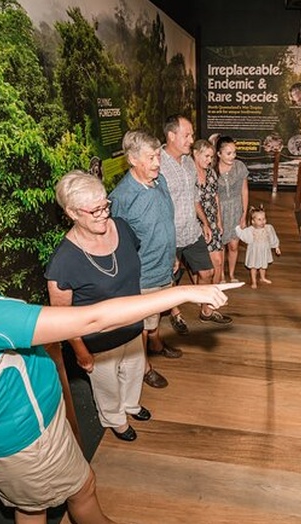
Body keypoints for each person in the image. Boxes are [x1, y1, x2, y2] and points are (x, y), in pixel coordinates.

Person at [0, 183, 233, 524]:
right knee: (82, 491)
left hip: (7, 434)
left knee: (33, 507)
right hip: (26, 441)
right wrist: (185, 293)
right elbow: (94, 317)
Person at [45, 171, 149, 443]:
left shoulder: (122, 227)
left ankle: (131, 405)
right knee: (107, 385)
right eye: (95, 210)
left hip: (133, 327)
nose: (104, 214)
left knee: (134, 369)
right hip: (99, 341)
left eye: (106, 205)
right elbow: (63, 318)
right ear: (72, 212)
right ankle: (115, 418)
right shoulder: (63, 262)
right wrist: (81, 351)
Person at [108, 130, 179, 387]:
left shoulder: (160, 182)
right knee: (141, 325)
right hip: (144, 274)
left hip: (165, 265)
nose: (157, 163)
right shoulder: (122, 197)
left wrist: (173, 255)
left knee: (157, 315)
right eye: (151, 158)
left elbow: (166, 221)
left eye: (158, 155)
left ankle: (157, 344)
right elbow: (116, 242)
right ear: (132, 160)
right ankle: (145, 367)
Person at [160, 114, 233, 326]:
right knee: (170, 279)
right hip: (170, 235)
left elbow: (194, 197)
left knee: (207, 271)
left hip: (192, 231)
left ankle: (206, 312)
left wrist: (205, 222)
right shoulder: (159, 165)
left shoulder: (189, 163)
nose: (191, 140)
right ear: (172, 135)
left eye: (191, 135)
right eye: (187, 135)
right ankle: (175, 314)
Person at [215, 135, 249, 284]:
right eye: (228, 153)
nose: (232, 156)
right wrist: (217, 219)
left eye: (234, 152)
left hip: (236, 208)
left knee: (234, 245)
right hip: (220, 210)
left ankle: (232, 274)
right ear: (219, 154)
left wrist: (244, 214)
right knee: (221, 244)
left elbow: (245, 191)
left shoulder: (240, 166)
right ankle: (221, 275)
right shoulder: (212, 169)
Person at [192, 139, 225, 285]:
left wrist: (219, 220)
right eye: (206, 156)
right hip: (195, 224)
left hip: (212, 223)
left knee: (218, 262)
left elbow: (216, 197)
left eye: (211, 157)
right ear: (195, 154)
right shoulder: (188, 175)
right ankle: (202, 298)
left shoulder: (211, 172)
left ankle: (213, 299)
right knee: (201, 268)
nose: (209, 160)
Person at [235, 206, 281, 289]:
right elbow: (244, 236)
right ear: (253, 221)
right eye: (259, 219)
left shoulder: (268, 228)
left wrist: (276, 247)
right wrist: (238, 228)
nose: (262, 221)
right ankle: (254, 281)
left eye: (264, 219)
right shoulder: (250, 230)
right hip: (254, 252)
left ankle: (262, 277)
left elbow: (273, 237)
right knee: (254, 267)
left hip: (264, 250)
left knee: (263, 265)